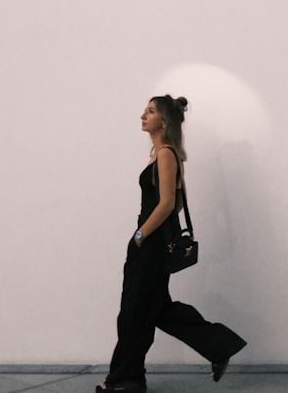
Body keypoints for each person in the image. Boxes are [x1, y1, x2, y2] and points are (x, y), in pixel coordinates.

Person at [98, 95, 247, 393]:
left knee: (134, 312)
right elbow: (179, 200)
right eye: (145, 110)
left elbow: (168, 203)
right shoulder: (161, 153)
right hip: (150, 243)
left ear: (163, 122)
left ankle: (126, 381)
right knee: (156, 309)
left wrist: (141, 235)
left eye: (150, 111)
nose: (143, 115)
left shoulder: (166, 154)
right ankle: (220, 345)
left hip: (149, 244)